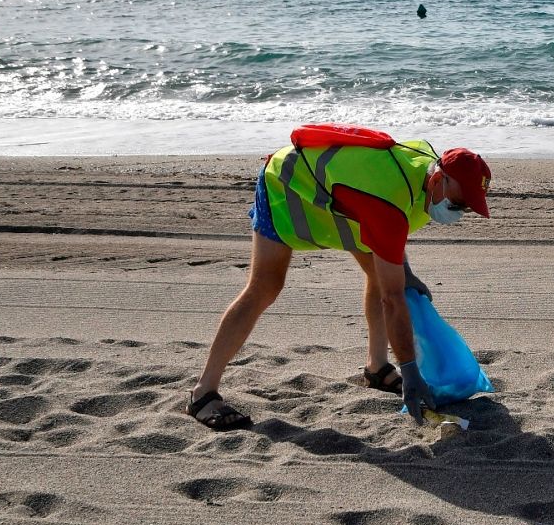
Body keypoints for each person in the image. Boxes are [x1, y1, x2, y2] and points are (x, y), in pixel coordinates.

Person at [184, 131, 491, 430]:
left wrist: (405, 273)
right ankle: (203, 393)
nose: (459, 213)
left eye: (466, 208)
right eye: (457, 205)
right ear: (438, 179)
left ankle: (376, 367)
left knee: (382, 273)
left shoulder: (424, 170)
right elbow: (392, 299)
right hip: (287, 184)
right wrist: (410, 371)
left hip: (344, 199)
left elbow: (390, 226)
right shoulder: (387, 204)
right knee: (265, 287)